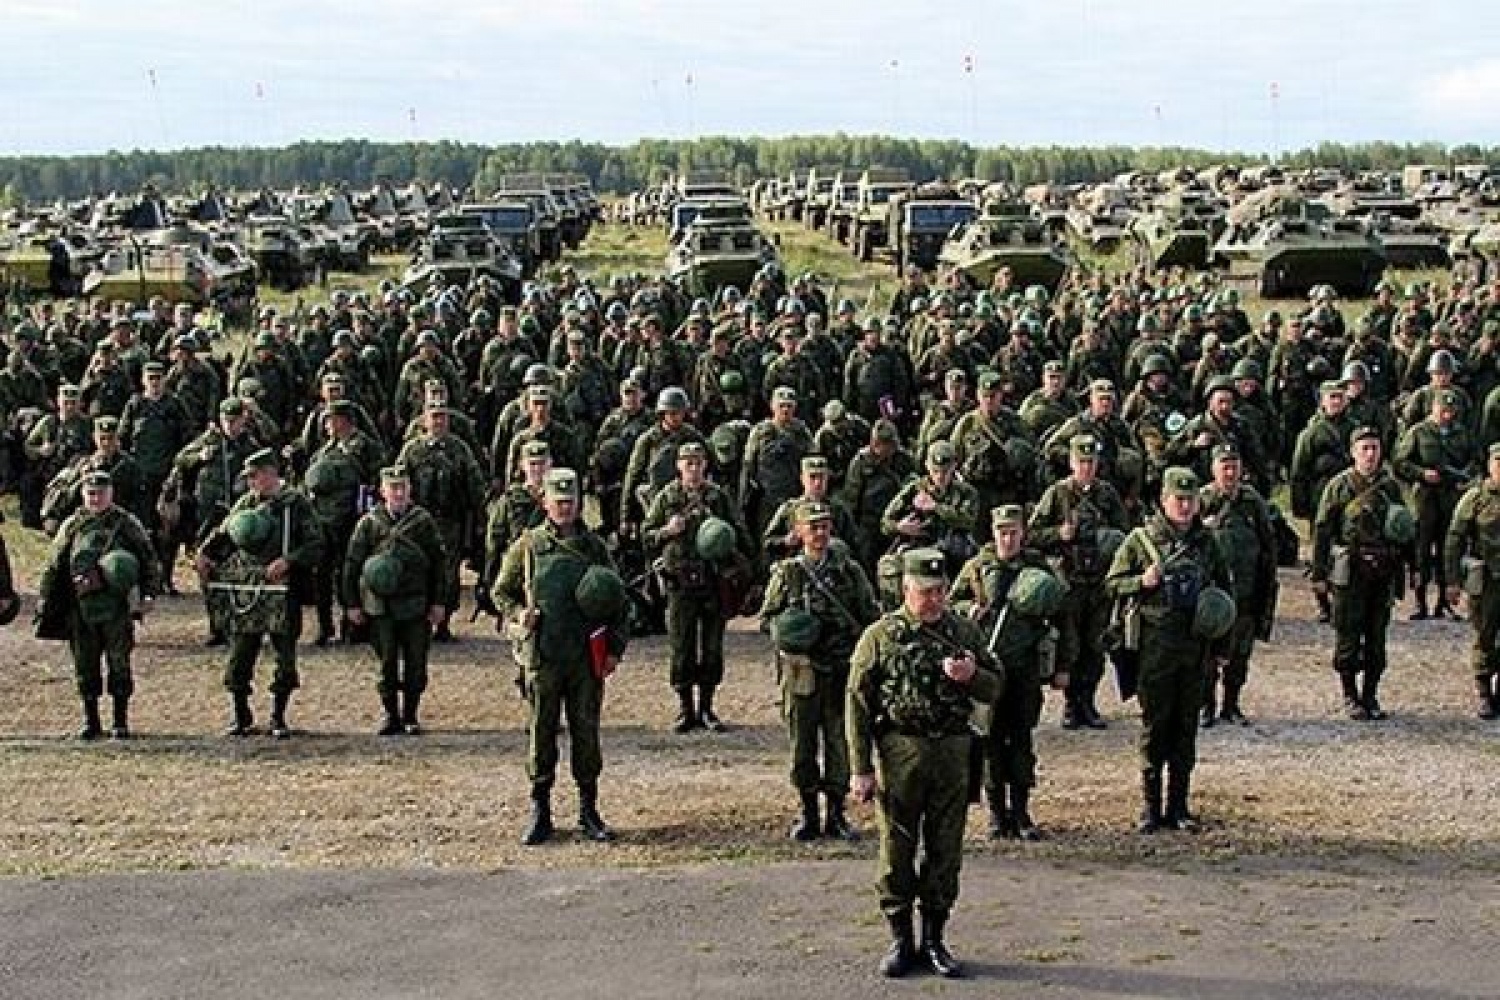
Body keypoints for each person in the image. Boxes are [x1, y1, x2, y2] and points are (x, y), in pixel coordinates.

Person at [847, 548, 1004, 980]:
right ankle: (901, 939)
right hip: (902, 755)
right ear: (905, 590)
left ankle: (935, 937)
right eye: (924, 592)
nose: (933, 601)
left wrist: (971, 676)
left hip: (952, 754)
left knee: (944, 849)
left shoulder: (964, 632)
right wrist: (860, 767)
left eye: (939, 591)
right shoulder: (881, 636)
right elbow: (857, 702)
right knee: (896, 850)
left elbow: (995, 689)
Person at [494, 468, 630, 846]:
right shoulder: (530, 546)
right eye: (559, 502)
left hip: (586, 657)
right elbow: (500, 591)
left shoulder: (594, 548)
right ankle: (540, 810)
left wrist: (615, 651)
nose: (566, 508)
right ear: (546, 503)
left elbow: (619, 603)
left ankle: (589, 810)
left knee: (586, 734)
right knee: (542, 732)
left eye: (571, 502)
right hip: (545, 656)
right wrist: (517, 614)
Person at [1106, 467, 1233, 834]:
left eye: (1191, 500)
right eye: (1178, 499)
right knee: (1154, 726)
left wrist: (1222, 648)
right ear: (1164, 501)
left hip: (1194, 648)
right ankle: (1150, 806)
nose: (1185, 506)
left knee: (1185, 728)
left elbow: (1224, 595)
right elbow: (1111, 584)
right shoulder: (1140, 540)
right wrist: (1140, 582)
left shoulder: (1207, 544)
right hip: (1154, 648)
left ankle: (1179, 804)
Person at [759, 500, 879, 841]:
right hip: (802, 670)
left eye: (825, 526)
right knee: (803, 743)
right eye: (812, 527)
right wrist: (791, 631)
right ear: (798, 532)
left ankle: (837, 813)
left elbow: (869, 616)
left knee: (840, 740)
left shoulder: (849, 571)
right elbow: (767, 619)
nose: (820, 533)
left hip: (840, 667)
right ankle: (808, 810)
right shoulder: (788, 574)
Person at [951, 505, 1066, 840]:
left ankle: (1022, 812)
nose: (1007, 538)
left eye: (1014, 532)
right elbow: (949, 604)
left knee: (1021, 740)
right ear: (993, 532)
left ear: (1023, 533)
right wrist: (967, 609)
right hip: (987, 670)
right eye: (1002, 531)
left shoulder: (1037, 569)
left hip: (1024, 668)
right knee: (988, 742)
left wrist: (1063, 666)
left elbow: (1062, 616)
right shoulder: (977, 568)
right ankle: (997, 815)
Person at [196, 449, 324, 738]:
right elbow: (225, 533)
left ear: (269, 473)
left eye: (255, 476)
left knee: (284, 655)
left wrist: (290, 560)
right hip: (248, 587)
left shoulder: (295, 505)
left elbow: (316, 543)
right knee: (240, 652)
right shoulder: (246, 503)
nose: (251, 482)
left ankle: (278, 715)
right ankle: (240, 712)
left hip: (281, 591)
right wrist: (205, 554)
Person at [36, 471, 161, 739]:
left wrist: (149, 595)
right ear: (83, 494)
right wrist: (45, 597)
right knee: (85, 663)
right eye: (91, 493)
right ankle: (91, 720)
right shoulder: (72, 525)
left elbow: (149, 560)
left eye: (101, 493)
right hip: (80, 607)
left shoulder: (126, 524)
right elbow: (54, 564)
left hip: (116, 606)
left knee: (119, 662)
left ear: (111, 493)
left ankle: (120, 720)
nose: (96, 498)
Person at [642, 441, 752, 733]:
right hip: (680, 581)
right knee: (682, 646)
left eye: (698, 463)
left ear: (705, 465)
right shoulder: (667, 497)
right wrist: (668, 530)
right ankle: (685, 708)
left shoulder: (718, 498)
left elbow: (740, 533)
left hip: (713, 581)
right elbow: (645, 536)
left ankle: (707, 707)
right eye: (688, 463)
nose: (693, 468)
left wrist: (726, 540)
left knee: (712, 647)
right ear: (679, 466)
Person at [1311, 427, 1413, 720]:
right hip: (1351, 570)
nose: (1370, 454)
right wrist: (1319, 574)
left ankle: (1371, 694)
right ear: (1353, 452)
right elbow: (1323, 530)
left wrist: (1410, 566)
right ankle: (1349, 694)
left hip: (1382, 570)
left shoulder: (1390, 487)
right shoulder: (1339, 486)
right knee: (1348, 632)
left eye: (1375, 448)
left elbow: (1403, 527)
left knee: (1377, 634)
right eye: (1364, 448)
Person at [1028, 435, 1129, 729]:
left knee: (1095, 644)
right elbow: (1032, 534)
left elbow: (1125, 534)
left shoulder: (1107, 495)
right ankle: (1072, 704)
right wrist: (1058, 535)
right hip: (1069, 580)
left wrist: (1108, 541)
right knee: (1070, 644)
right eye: (1081, 462)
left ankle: (1089, 700)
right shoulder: (1057, 494)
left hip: (1098, 580)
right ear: (1072, 463)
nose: (1086, 468)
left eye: (1091, 462)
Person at [343, 465, 448, 735]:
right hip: (380, 605)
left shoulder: (422, 522)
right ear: (383, 491)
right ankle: (390, 714)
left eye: (403, 487)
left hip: (415, 603)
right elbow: (352, 565)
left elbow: (439, 563)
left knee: (415, 661)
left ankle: (411, 714)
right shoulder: (369, 523)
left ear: (410, 490)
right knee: (386, 661)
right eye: (393, 488)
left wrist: (439, 602)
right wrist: (352, 603)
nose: (398, 493)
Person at [1198, 445, 1278, 725]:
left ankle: (1231, 704)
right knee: (1207, 653)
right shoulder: (1202, 500)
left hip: (1246, 589)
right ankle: (1206, 705)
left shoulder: (1252, 501)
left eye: (1234, 466)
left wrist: (1267, 583)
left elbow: (1268, 544)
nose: (1230, 472)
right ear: (1214, 469)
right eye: (1224, 466)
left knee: (1240, 652)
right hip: (1214, 594)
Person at [1394, 389, 1477, 620]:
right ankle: (1420, 602)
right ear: (1433, 409)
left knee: (1447, 550)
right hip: (1425, 497)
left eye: (1451, 411)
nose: (1447, 416)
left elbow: (1475, 460)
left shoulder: (1463, 434)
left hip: (1451, 496)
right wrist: (1421, 473)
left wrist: (1466, 477)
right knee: (1420, 551)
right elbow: (1400, 462)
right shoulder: (1419, 432)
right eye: (1443, 411)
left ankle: (1444, 602)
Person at [1443, 442, 1500, 719]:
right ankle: (1484, 692)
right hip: (1486, 578)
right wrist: (1452, 581)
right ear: (1490, 466)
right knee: (1484, 636)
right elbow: (1455, 539)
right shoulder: (1475, 498)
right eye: (1499, 463)